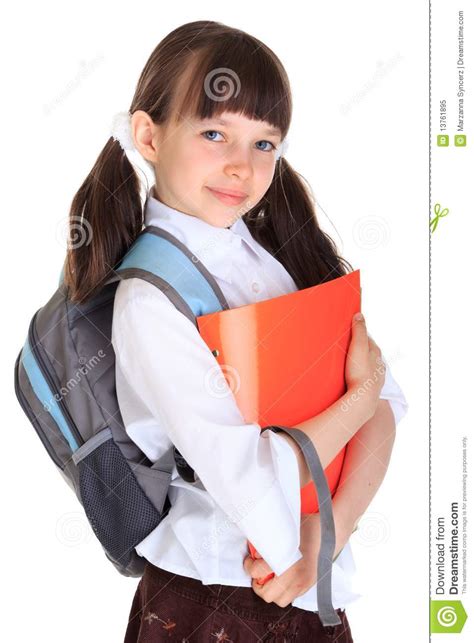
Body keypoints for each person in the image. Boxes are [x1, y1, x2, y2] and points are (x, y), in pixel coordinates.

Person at [63, 20, 408, 642]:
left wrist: (333, 532)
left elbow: (387, 410)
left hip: (308, 582)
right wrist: (362, 394)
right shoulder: (150, 298)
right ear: (149, 134)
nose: (240, 167)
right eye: (214, 132)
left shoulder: (275, 257)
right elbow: (256, 471)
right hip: (211, 598)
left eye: (264, 144)